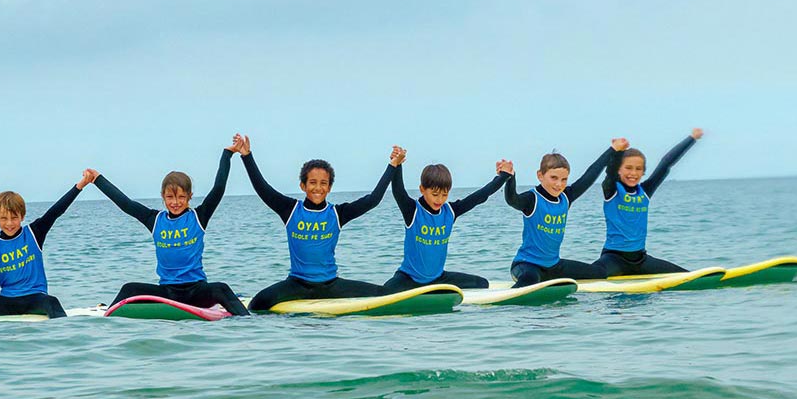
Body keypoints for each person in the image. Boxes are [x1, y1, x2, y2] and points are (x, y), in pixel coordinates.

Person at [233, 134, 397, 311]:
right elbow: (262, 189)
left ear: (329, 187)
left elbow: (373, 200)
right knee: (257, 304)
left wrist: (393, 166)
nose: (318, 188)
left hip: (331, 285)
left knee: (383, 293)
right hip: (297, 284)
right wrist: (246, 156)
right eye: (312, 182)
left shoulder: (337, 213)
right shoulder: (291, 210)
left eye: (323, 183)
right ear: (303, 186)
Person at [91, 136, 249, 316]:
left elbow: (218, 188)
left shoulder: (198, 216)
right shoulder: (155, 220)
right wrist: (98, 180)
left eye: (181, 197)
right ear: (163, 197)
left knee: (221, 288)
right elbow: (125, 203)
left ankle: (248, 323)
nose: (175, 202)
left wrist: (227, 154)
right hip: (167, 292)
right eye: (170, 197)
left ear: (189, 196)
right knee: (129, 289)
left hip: (196, 291)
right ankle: (106, 317)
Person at [0, 171, 98, 319]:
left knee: (52, 301)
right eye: (4, 218)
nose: (9, 224)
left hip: (35, 299)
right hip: (7, 300)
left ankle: (66, 336)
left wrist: (80, 185)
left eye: (14, 218)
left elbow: (56, 211)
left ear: (22, 216)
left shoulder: (34, 233)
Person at [383, 148, 513, 292]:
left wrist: (503, 176)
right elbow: (398, 191)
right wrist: (398, 164)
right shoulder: (412, 210)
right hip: (409, 279)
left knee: (482, 283)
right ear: (422, 189)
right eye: (435, 194)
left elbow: (480, 196)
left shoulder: (450, 212)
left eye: (444, 195)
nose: (440, 199)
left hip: (438, 279)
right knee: (385, 291)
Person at [506, 138, 630, 287]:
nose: (559, 184)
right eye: (554, 178)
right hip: (526, 265)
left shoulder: (566, 197)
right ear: (540, 175)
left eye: (564, 179)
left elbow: (589, 176)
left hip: (554, 266)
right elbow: (512, 199)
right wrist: (510, 177)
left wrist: (613, 150)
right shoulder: (532, 199)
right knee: (530, 279)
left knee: (599, 273)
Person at [592, 129, 704, 277]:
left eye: (638, 169)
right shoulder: (612, 189)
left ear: (643, 172)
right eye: (628, 168)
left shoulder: (645, 191)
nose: (633, 173)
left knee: (688, 277)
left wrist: (692, 138)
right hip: (614, 259)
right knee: (591, 275)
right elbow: (610, 173)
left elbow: (666, 164)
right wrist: (617, 152)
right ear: (619, 169)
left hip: (641, 260)